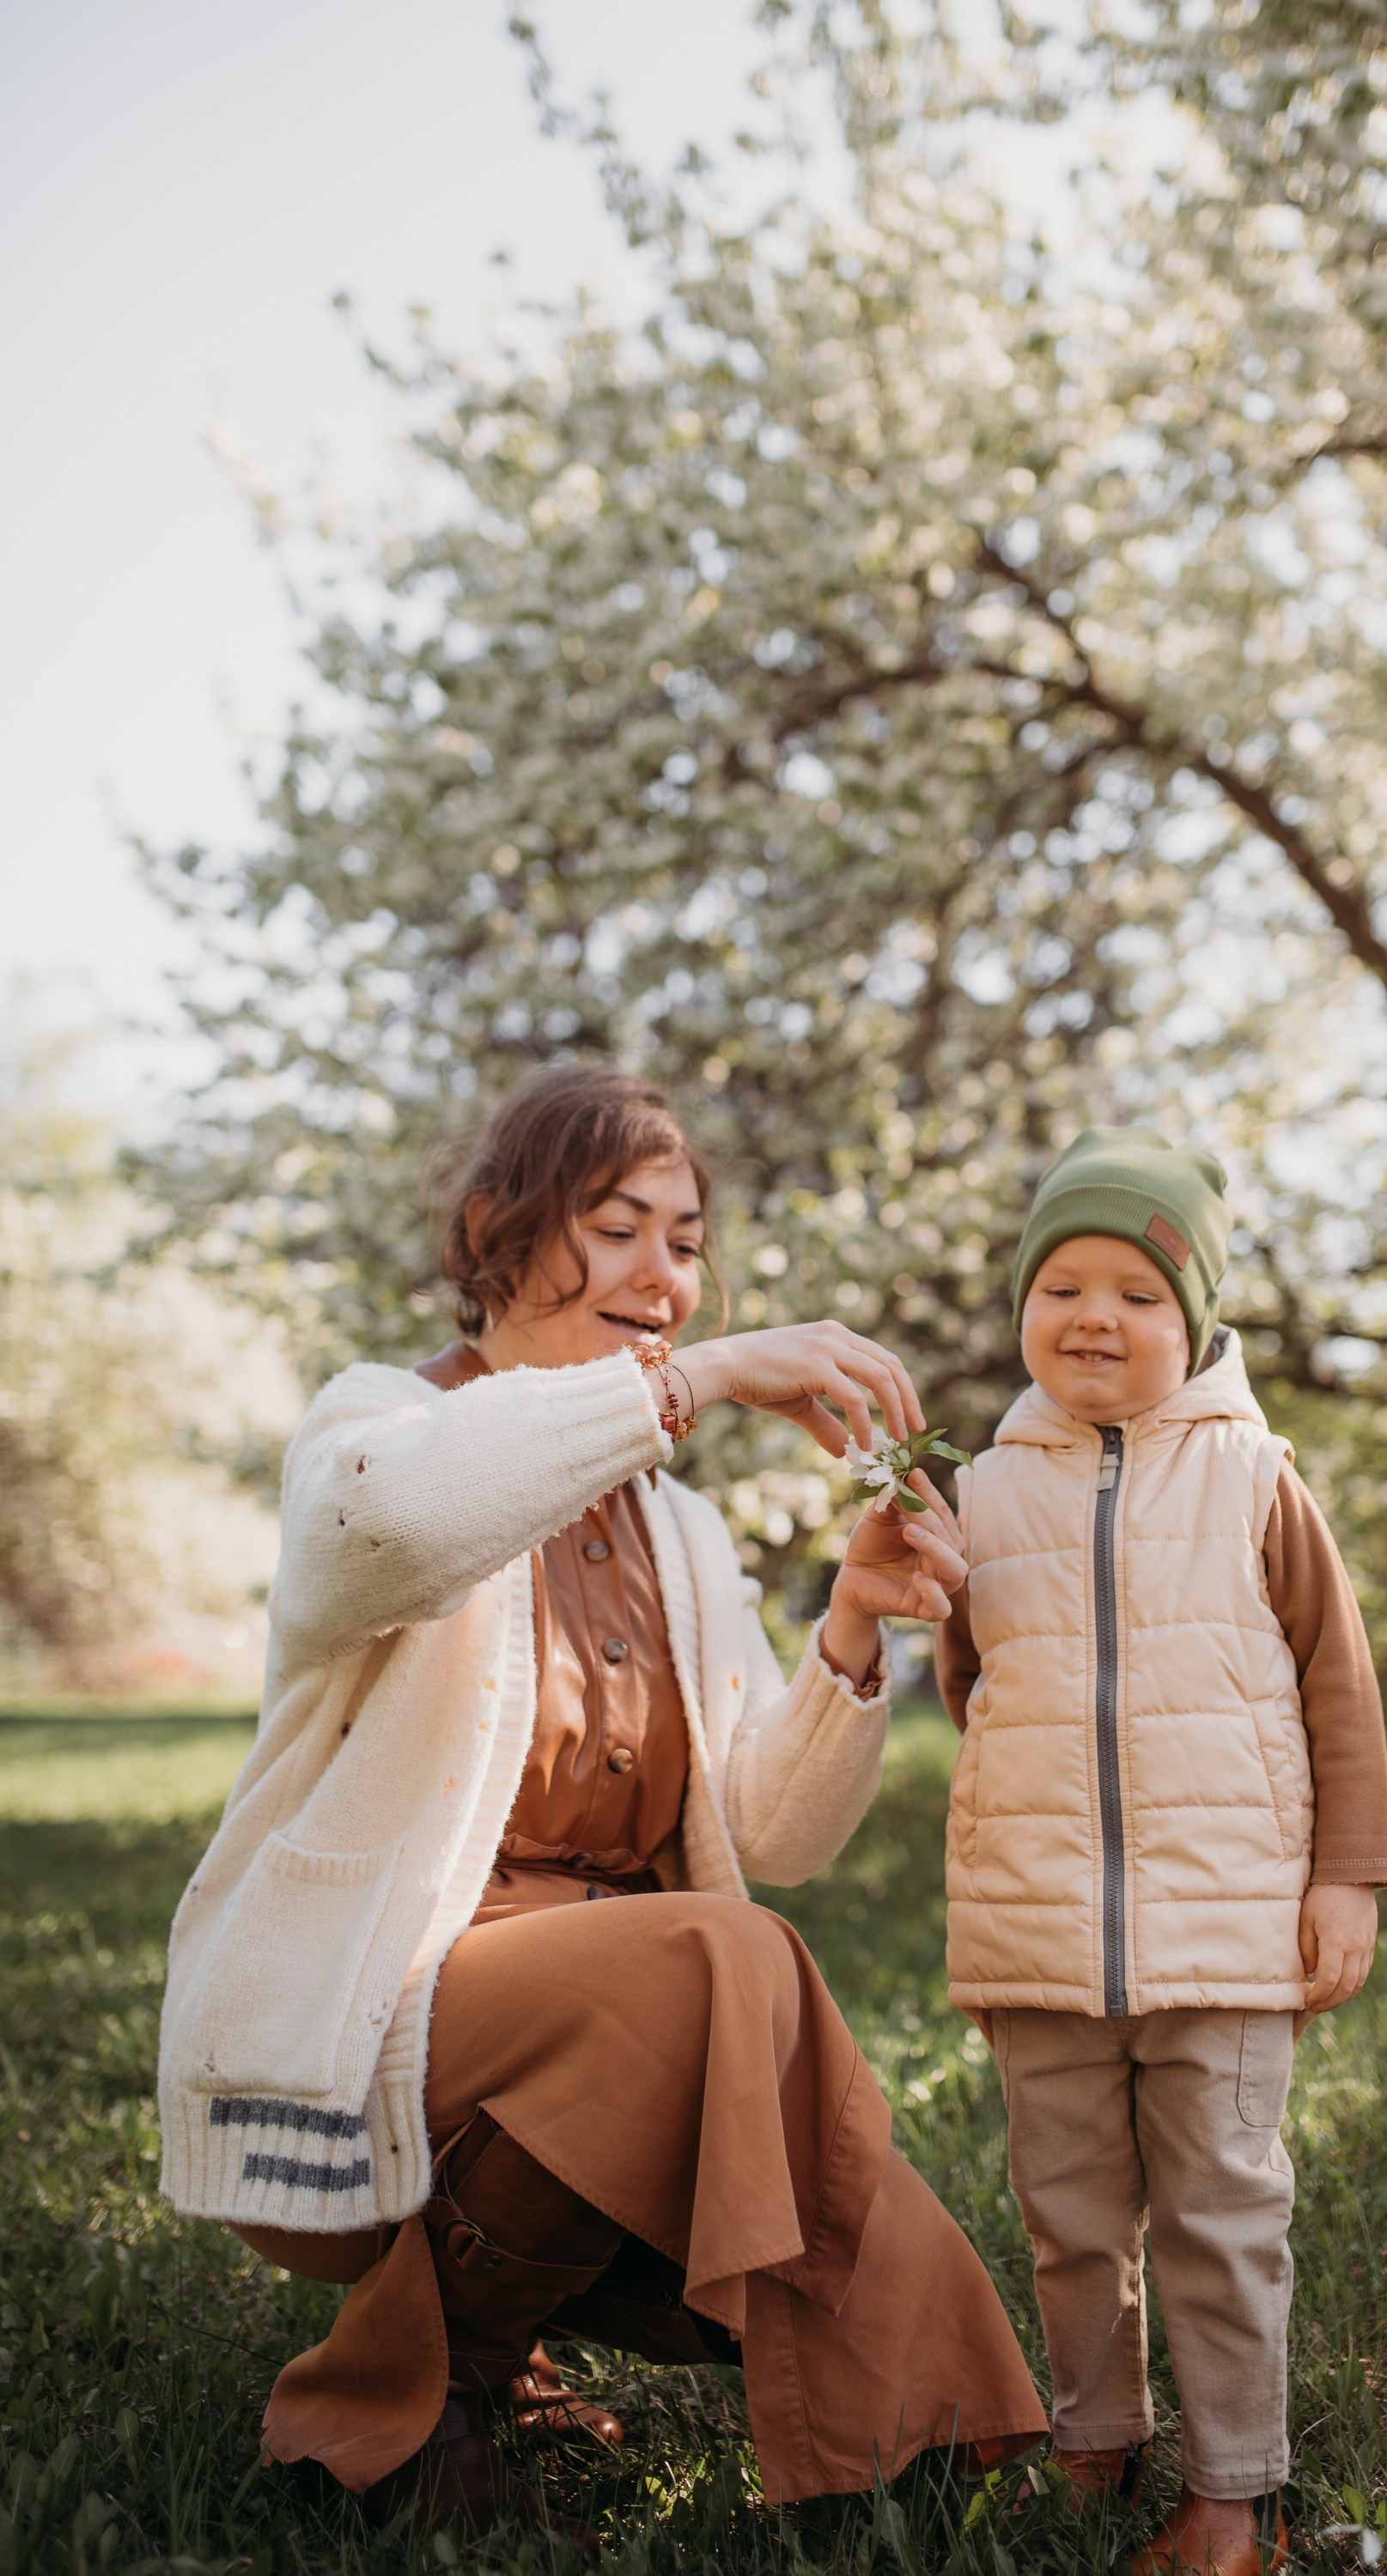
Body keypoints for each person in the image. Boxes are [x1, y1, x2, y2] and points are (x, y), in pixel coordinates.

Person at [156, 1065, 1045, 2529]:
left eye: (684, 1243)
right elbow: (396, 1530)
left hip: (625, 2014)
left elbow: (774, 1837)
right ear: (496, 1234)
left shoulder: (682, 1530)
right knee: (722, 1962)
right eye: (617, 1227)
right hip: (382, 2001)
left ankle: (910, 2447)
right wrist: (698, 1381)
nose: (662, 1278)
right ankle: (395, 2409)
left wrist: (849, 1634)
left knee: (732, 1974)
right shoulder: (378, 1424)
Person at [934, 1127, 1387, 2576]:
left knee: (1220, 2212)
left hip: (1231, 1932)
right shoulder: (981, 1491)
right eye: (1062, 1286)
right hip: (1040, 1934)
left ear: (1191, 1321)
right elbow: (971, 1685)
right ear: (1023, 1305)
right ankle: (1094, 2441)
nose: (1095, 1316)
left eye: (1138, 1293)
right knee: (1069, 2215)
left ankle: (1232, 2496)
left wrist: (1344, 1877)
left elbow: (1339, 1686)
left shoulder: (1255, 1478)